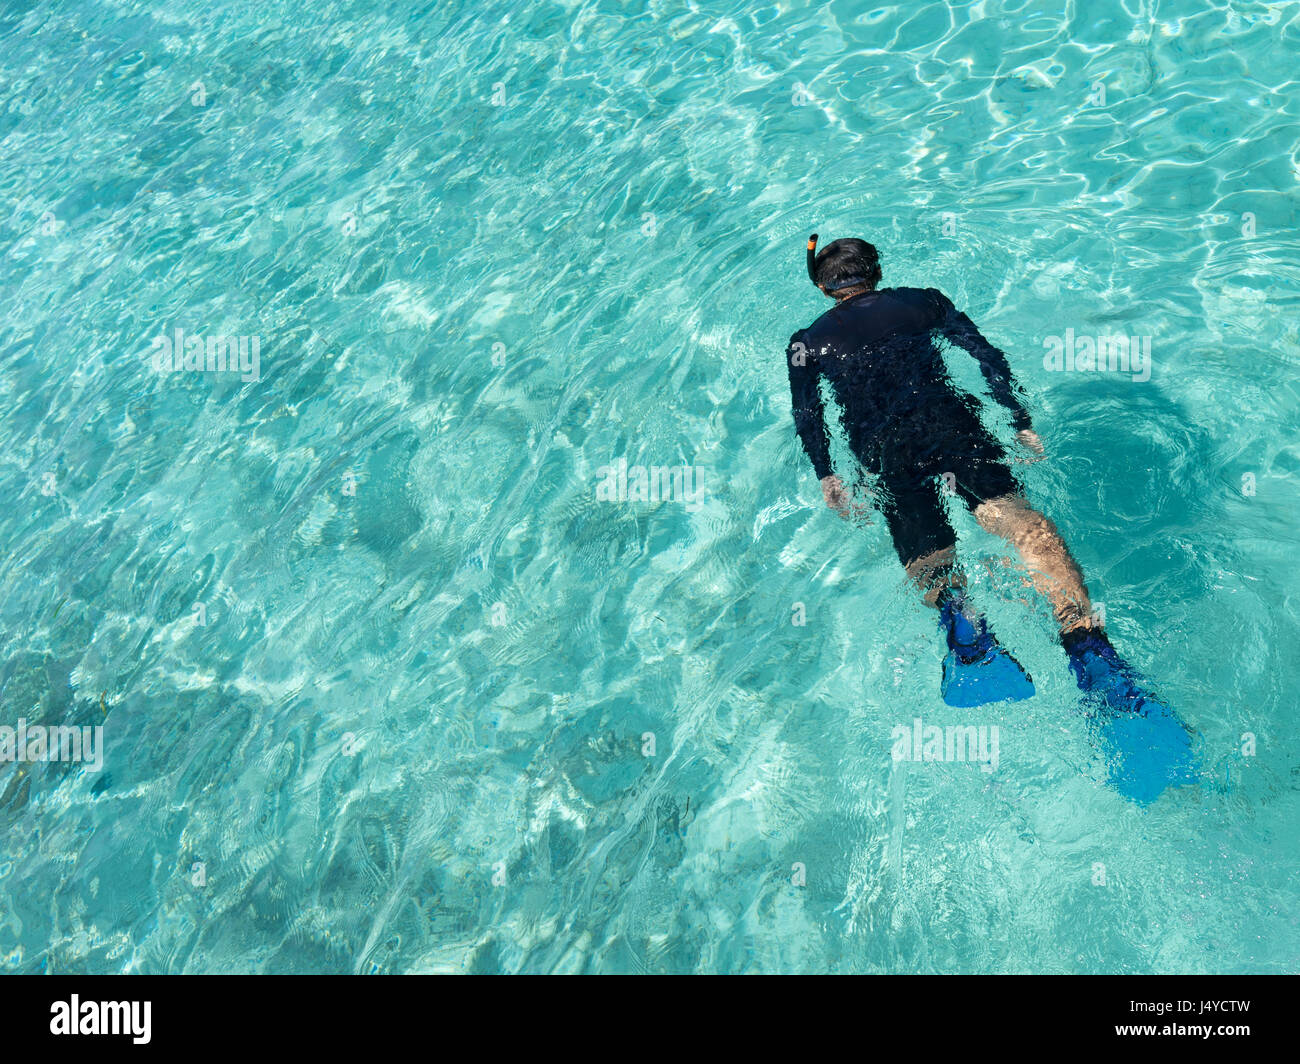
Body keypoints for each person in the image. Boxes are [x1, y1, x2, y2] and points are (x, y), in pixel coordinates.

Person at [786, 234, 1196, 800]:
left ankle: (966, 630)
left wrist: (827, 475)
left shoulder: (807, 343)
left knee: (929, 556)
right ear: (877, 273)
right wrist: (1018, 414)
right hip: (951, 427)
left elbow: (809, 415)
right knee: (1023, 524)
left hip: (885, 449)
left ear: (821, 286)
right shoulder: (922, 302)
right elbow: (983, 354)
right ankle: (1086, 645)